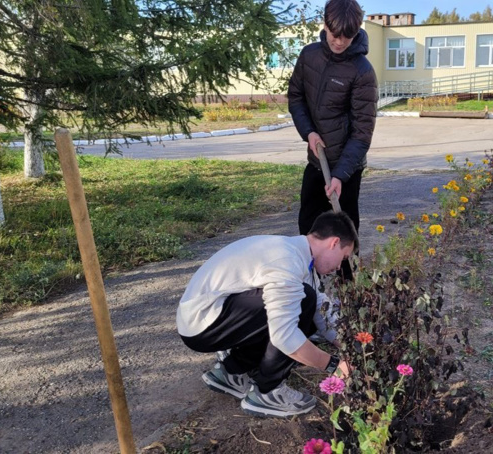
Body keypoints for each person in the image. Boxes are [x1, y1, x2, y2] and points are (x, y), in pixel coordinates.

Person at [176, 211, 356, 418]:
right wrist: (333, 366)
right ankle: (267, 392)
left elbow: (319, 308)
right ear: (333, 243)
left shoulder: (295, 252)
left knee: (304, 300)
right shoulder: (287, 260)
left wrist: (348, 343)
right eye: (343, 258)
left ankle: (231, 372)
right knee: (301, 301)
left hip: (207, 317)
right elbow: (284, 335)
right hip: (202, 323)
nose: (338, 267)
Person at [288, 0, 377, 279]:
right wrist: (309, 133)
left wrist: (340, 174)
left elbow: (363, 132)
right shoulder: (309, 56)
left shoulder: (362, 71)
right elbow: (296, 97)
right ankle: (310, 283)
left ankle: (349, 292)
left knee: (345, 233)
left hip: (347, 168)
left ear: (357, 32)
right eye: (334, 34)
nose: (340, 42)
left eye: (347, 37)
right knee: (308, 225)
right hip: (317, 161)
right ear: (325, 25)